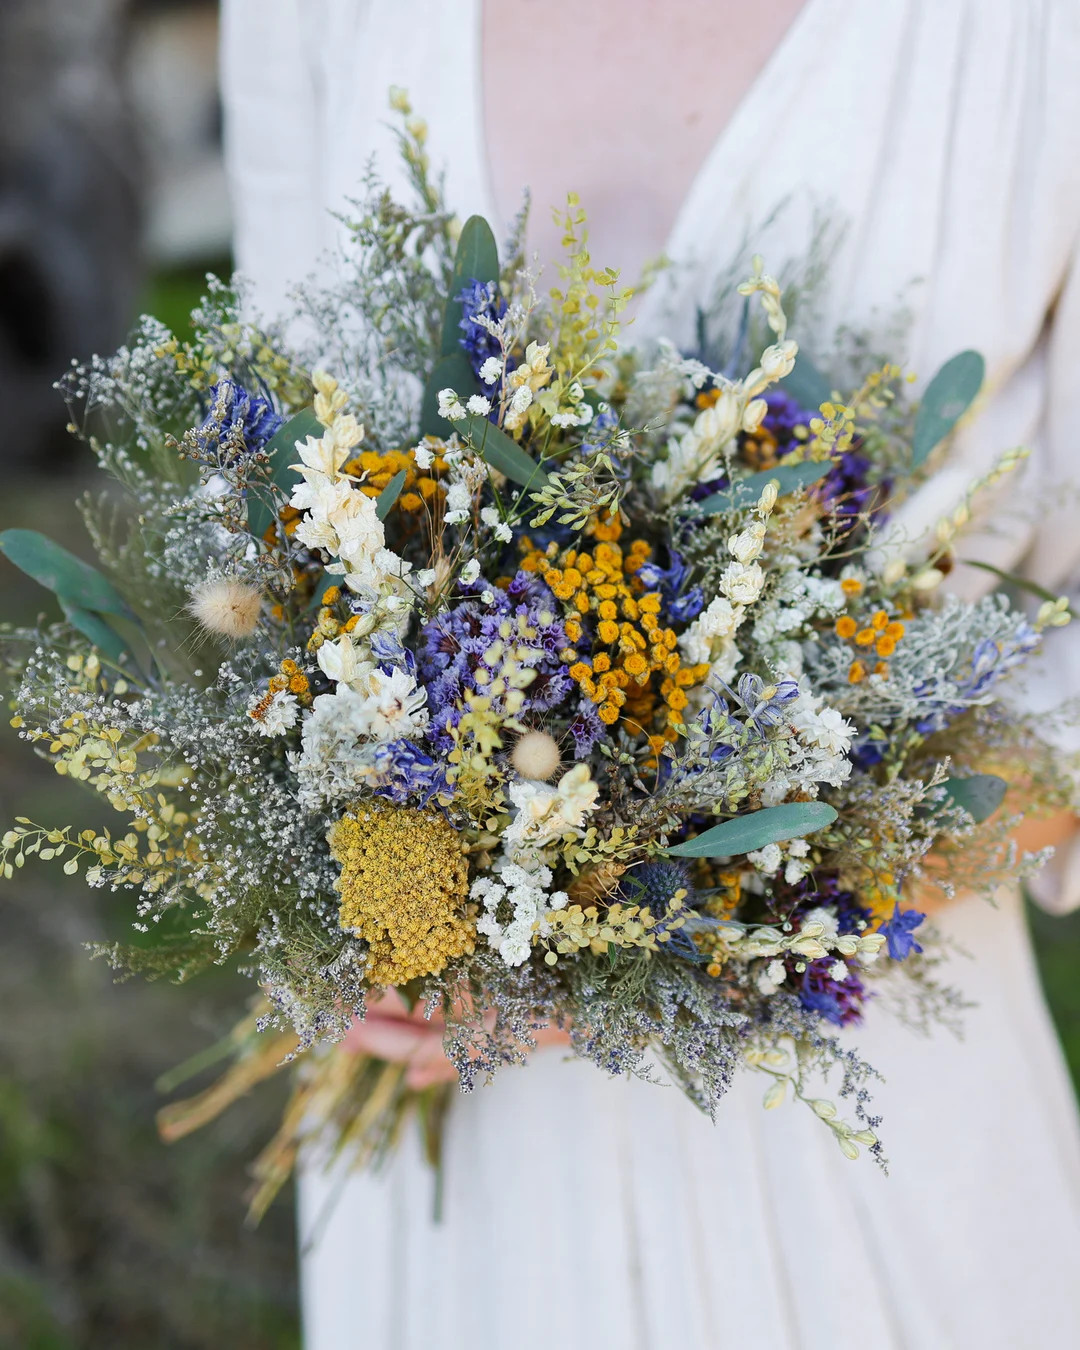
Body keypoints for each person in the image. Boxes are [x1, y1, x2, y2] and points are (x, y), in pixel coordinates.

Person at [220, 2, 1080, 1345]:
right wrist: (363, 876)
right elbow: (269, 483)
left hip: (864, 1181)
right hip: (464, 1195)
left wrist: (673, 908)